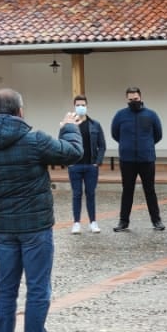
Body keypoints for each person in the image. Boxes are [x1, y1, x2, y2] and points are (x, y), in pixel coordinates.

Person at [0, 89, 82, 332]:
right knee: (38, 288)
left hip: (2, 226)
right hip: (35, 226)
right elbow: (72, 153)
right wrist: (68, 129)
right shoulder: (34, 139)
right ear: (19, 111)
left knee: (6, 290)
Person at [110, 86, 164, 231]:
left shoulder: (151, 115)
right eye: (131, 99)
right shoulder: (120, 115)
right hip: (127, 160)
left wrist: (146, 145)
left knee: (150, 190)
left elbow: (158, 135)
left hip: (146, 159)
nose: (133, 101)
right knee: (127, 190)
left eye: (136, 99)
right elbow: (115, 134)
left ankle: (156, 221)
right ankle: (123, 221)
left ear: (141, 97)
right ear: (126, 99)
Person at [67, 95, 107, 234]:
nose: (80, 107)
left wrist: (98, 162)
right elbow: (63, 143)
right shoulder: (69, 125)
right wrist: (68, 162)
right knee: (76, 194)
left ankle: (93, 222)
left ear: (87, 106)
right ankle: (76, 222)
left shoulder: (95, 125)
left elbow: (102, 145)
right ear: (74, 106)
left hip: (91, 166)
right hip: (75, 166)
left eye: (83, 105)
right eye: (78, 105)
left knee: (90, 194)